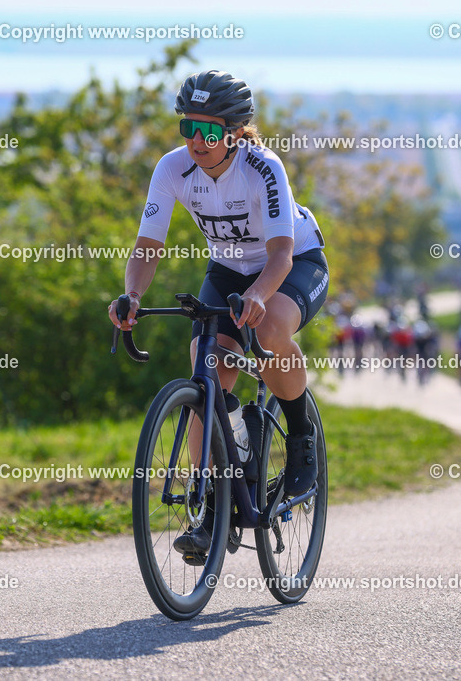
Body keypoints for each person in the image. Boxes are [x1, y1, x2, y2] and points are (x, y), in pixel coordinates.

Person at [108, 70, 329, 560]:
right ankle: (212, 503)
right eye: (188, 129)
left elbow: (280, 256)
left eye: (208, 131)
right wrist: (132, 296)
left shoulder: (263, 167)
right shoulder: (171, 169)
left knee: (269, 327)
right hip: (229, 267)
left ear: (233, 131)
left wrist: (258, 296)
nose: (197, 142)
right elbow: (147, 246)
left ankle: (301, 436)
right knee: (206, 366)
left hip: (292, 262)